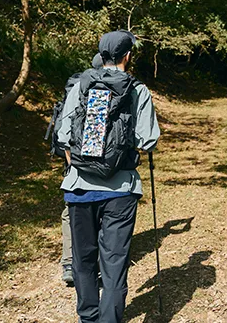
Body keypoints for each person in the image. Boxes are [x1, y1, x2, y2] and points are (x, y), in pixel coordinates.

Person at [57, 30, 160, 323]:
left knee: (83, 259)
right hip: (121, 189)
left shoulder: (80, 84)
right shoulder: (137, 90)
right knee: (113, 263)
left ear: (101, 55)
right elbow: (148, 140)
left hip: (78, 187)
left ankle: (87, 317)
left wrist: (81, 166)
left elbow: (64, 136)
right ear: (128, 56)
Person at [60, 53, 104, 287]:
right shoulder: (96, 92)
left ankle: (69, 262)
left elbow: (63, 135)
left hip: (71, 161)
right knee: (86, 213)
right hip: (85, 165)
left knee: (70, 212)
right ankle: (81, 263)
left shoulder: (77, 88)